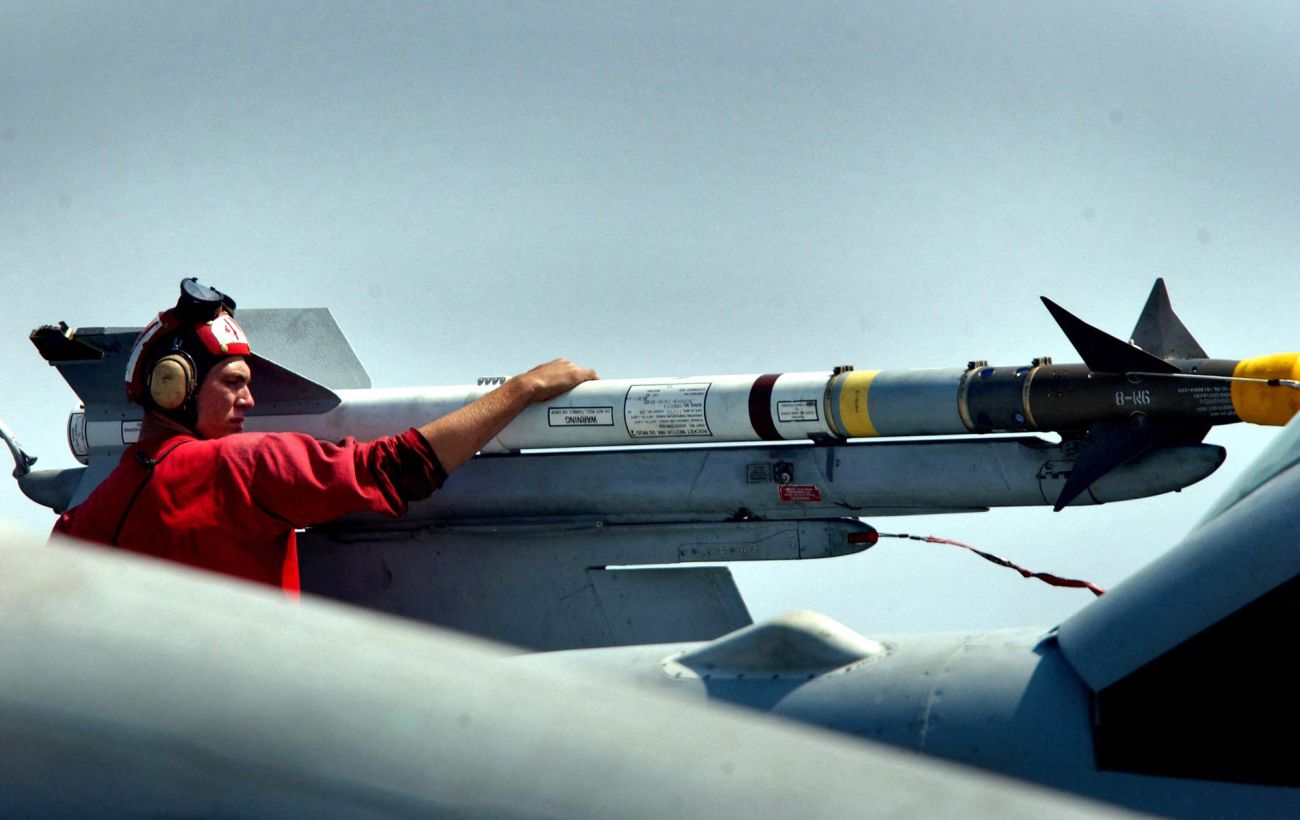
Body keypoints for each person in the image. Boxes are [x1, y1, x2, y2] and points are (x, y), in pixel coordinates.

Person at [54, 279, 597, 595]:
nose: (250, 401)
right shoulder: (240, 468)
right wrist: (520, 390)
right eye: (234, 384)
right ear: (176, 388)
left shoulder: (80, 523)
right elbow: (399, 468)